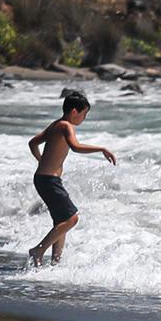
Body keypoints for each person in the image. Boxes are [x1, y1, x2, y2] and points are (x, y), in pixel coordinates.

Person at [26, 90, 117, 266]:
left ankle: (55, 263)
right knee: (72, 218)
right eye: (84, 113)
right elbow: (75, 147)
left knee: (61, 221)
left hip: (43, 178)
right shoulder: (66, 126)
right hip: (49, 180)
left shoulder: (55, 124)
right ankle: (38, 250)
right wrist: (101, 149)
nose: (84, 118)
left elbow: (32, 143)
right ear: (74, 111)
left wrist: (42, 161)